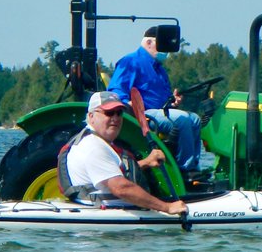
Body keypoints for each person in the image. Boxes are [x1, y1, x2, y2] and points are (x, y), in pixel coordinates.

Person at [59, 91, 188, 216]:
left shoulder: (94, 140)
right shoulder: (94, 147)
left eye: (119, 113)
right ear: (91, 116)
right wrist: (167, 207)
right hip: (105, 223)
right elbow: (121, 188)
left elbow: (109, 171)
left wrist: (146, 162)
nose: (115, 118)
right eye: (109, 113)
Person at [109, 26, 202, 173]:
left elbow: (163, 98)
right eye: (162, 44)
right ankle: (185, 169)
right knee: (183, 119)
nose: (165, 50)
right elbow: (116, 90)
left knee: (195, 119)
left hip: (161, 111)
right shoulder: (130, 62)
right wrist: (128, 104)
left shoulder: (160, 69)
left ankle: (195, 165)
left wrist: (173, 102)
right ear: (149, 43)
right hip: (144, 114)